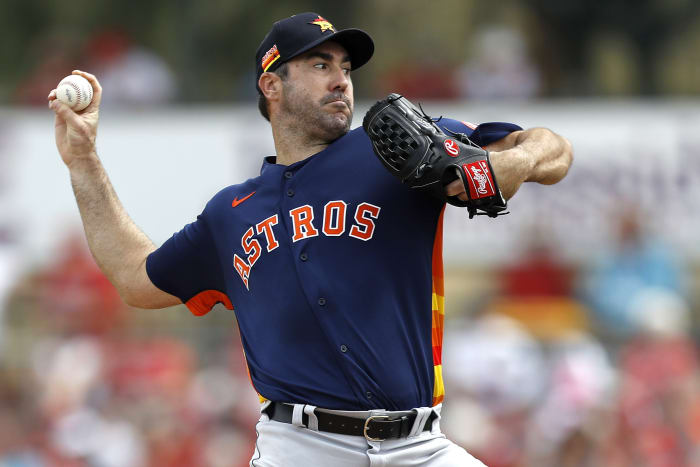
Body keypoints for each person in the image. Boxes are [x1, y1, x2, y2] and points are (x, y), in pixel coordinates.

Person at [48, 12, 572, 467]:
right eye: (320, 65)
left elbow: (553, 150)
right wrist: (83, 162)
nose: (341, 80)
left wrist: (510, 163)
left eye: (345, 67)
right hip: (298, 447)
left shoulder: (390, 150)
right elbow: (135, 278)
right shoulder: (231, 213)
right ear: (271, 85)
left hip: (419, 445)